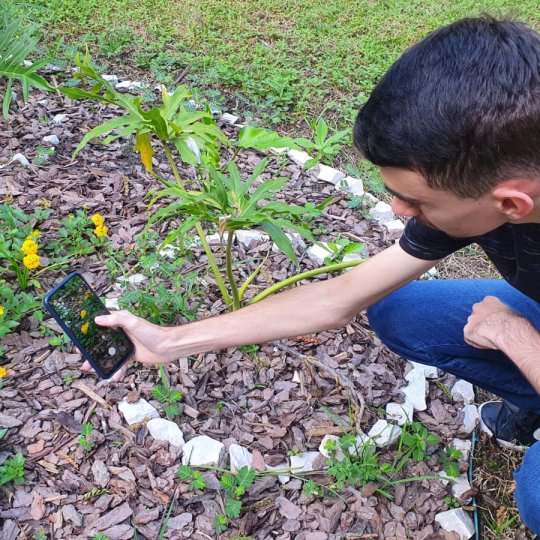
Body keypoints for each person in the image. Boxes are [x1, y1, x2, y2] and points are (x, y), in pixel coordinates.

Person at [87, 16, 540, 534]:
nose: (396, 210)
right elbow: (340, 298)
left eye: (414, 201)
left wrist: (512, 333)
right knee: (400, 313)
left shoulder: (488, 196)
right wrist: (170, 342)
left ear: (511, 202)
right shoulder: (481, 193)